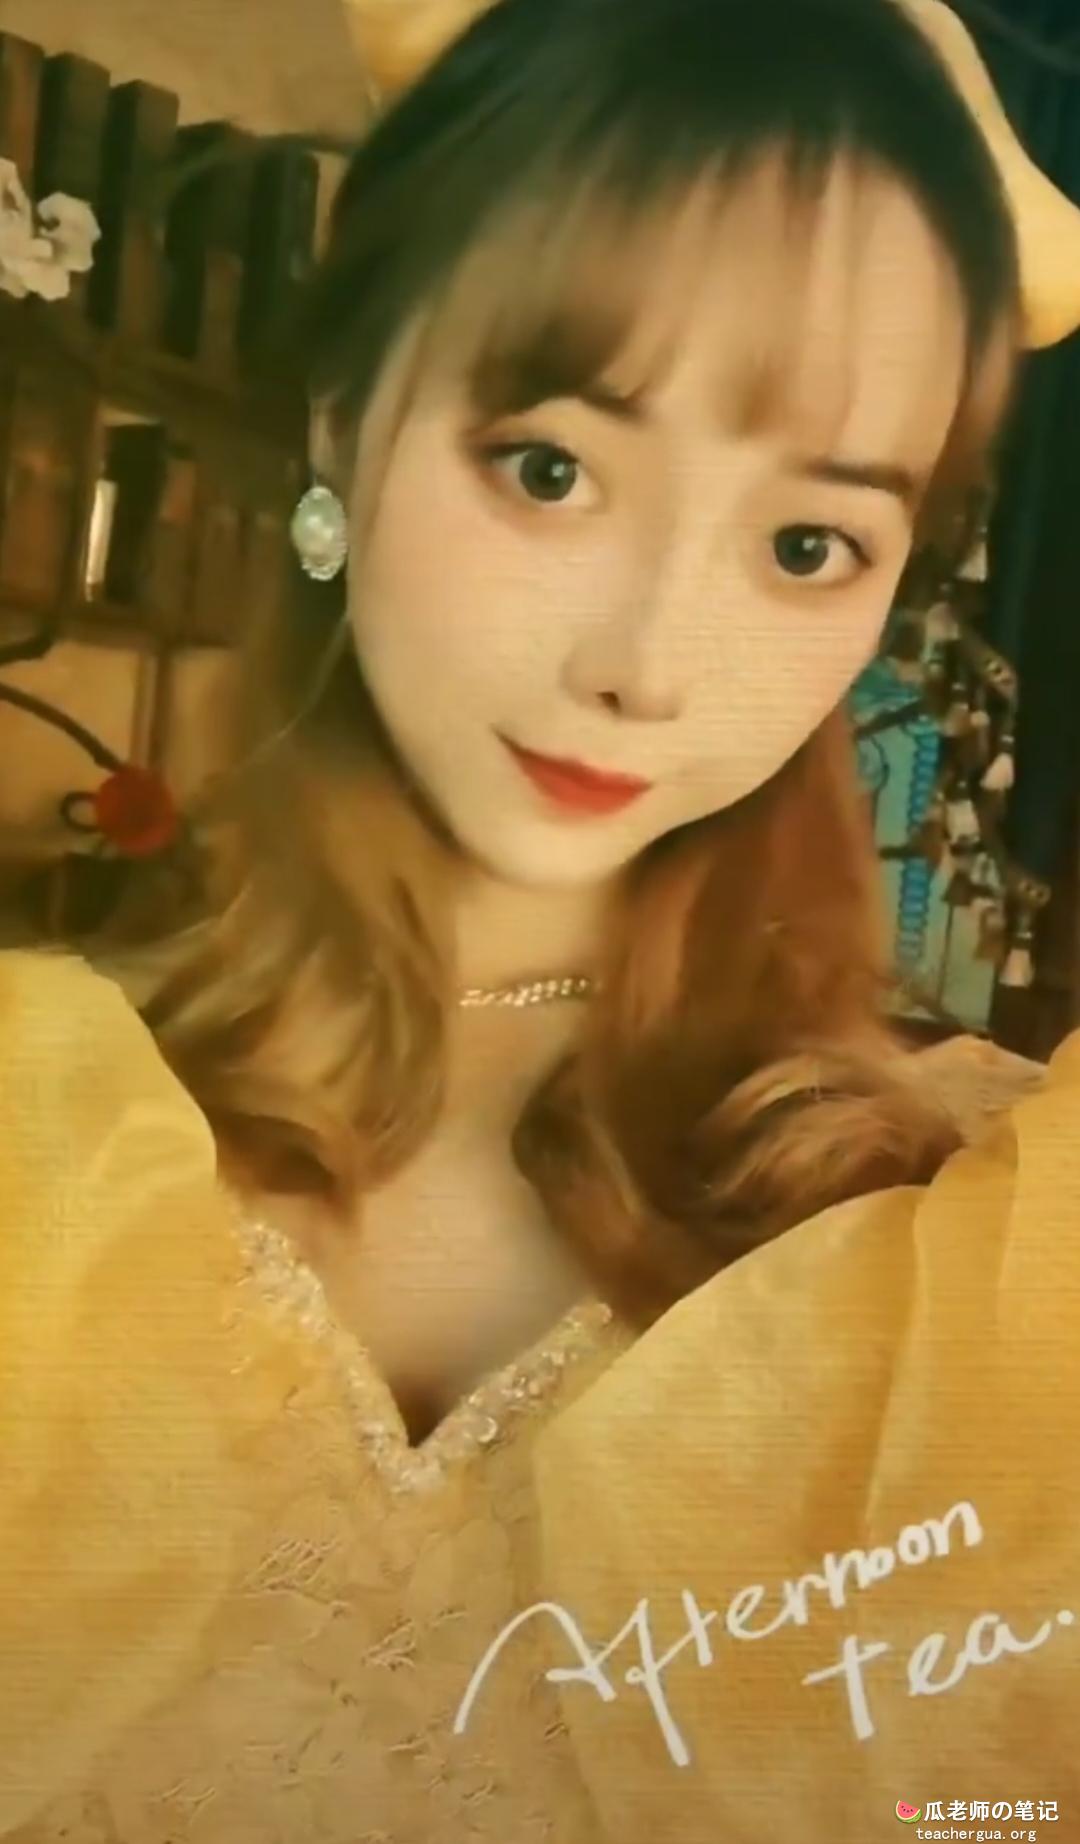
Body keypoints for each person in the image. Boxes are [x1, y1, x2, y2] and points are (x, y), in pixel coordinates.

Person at [1, 0, 1077, 1836]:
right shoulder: (39, 1124)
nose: (650, 665)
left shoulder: (981, 1260)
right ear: (345, 412)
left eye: (805, 544)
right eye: (553, 467)